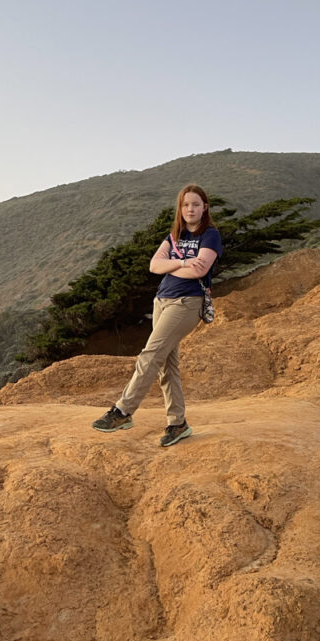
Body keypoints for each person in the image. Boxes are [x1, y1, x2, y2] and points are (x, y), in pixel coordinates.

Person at [92, 184, 223, 446]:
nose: (190, 209)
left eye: (196, 204)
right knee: (166, 365)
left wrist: (172, 265)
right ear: (180, 208)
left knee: (150, 354)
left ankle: (123, 411)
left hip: (187, 302)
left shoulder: (210, 235)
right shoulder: (174, 235)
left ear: (204, 207)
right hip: (161, 301)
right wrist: (184, 262)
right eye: (185, 205)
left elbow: (200, 270)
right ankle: (178, 423)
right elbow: (154, 265)